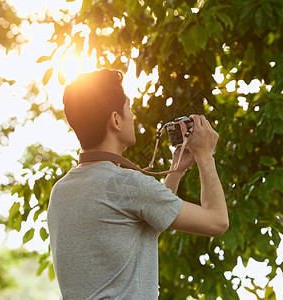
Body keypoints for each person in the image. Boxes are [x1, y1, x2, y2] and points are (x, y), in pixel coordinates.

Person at [47, 69, 228, 300]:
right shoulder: (126, 184)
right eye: (128, 109)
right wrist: (205, 156)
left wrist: (176, 171)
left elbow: (137, 231)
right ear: (115, 120)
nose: (132, 116)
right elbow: (217, 222)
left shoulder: (61, 190)